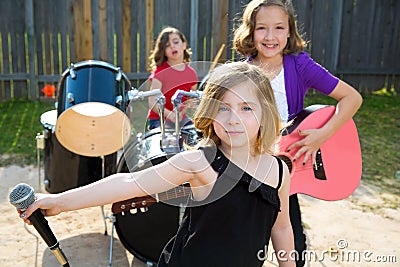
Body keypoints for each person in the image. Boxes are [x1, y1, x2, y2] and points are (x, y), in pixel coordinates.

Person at [18, 62, 295, 267]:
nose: (233, 119)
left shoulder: (279, 171)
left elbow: (281, 228)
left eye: (246, 108)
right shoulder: (198, 162)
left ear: (265, 113)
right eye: (223, 107)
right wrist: (59, 201)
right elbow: (128, 183)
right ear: (210, 112)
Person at [233, 1, 363, 266]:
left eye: (279, 27)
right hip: (252, 170)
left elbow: (352, 98)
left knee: (293, 247)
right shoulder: (241, 75)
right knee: (246, 244)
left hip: (285, 174)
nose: (270, 37)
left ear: (290, 31)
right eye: (262, 28)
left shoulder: (299, 65)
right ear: (250, 32)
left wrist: (321, 136)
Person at [147, 26, 198, 130]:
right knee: (166, 141)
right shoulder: (160, 72)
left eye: (175, 42)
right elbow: (152, 102)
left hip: (180, 118)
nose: (172, 47)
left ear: (184, 45)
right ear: (163, 51)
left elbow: (191, 99)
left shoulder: (191, 74)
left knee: (196, 134)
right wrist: (169, 115)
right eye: (167, 45)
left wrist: (191, 104)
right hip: (159, 118)